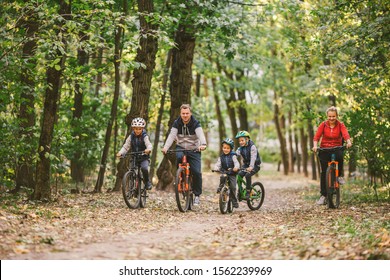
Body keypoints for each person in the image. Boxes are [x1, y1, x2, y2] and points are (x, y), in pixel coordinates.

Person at [161, 104, 207, 206]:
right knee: (179, 157)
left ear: (190, 113)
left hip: (194, 149)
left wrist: (203, 144)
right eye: (183, 113)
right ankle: (179, 177)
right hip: (181, 147)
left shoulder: (195, 123)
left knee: (196, 172)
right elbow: (172, 136)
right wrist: (165, 147)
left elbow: (201, 135)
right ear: (180, 114)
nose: (185, 115)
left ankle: (197, 195)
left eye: (187, 113)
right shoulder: (177, 123)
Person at [313, 106, 352, 205]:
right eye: (330, 116)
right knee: (323, 172)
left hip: (336, 147)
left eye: (333, 116)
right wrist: (315, 146)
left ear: (336, 116)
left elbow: (345, 134)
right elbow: (316, 137)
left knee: (340, 155)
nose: (331, 118)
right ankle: (323, 195)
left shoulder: (340, 125)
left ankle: (339, 176)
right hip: (325, 149)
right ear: (327, 116)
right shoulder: (323, 125)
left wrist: (348, 141)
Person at [116, 117, 153, 190]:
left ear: (142, 128)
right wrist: (120, 152)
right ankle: (132, 187)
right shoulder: (131, 137)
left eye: (140, 129)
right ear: (133, 129)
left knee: (144, 168)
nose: (138, 130)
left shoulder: (144, 136)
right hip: (134, 157)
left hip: (143, 157)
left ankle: (147, 182)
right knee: (132, 169)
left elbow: (149, 144)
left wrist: (148, 149)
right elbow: (126, 147)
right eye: (136, 129)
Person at [213, 138, 240, 208]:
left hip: (232, 173)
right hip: (225, 171)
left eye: (228, 148)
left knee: (233, 187)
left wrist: (236, 167)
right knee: (223, 176)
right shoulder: (221, 157)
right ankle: (221, 187)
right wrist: (216, 168)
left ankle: (234, 200)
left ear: (231, 149)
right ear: (222, 148)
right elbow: (218, 164)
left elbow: (236, 163)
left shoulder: (233, 156)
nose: (226, 149)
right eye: (224, 148)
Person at [235, 130, 261, 199]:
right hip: (246, 165)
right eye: (239, 141)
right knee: (239, 174)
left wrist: (251, 167)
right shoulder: (240, 148)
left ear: (247, 139)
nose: (241, 142)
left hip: (255, 165)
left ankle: (248, 191)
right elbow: (235, 155)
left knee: (247, 175)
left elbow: (253, 157)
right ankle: (239, 191)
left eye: (242, 140)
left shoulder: (252, 147)